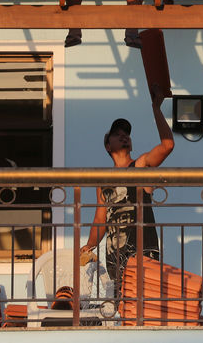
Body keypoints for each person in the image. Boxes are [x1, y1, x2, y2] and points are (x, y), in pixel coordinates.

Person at [80, 84, 175, 297]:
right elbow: (100, 216)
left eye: (127, 135)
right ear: (107, 145)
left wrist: (156, 109)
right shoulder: (103, 181)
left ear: (131, 144)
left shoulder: (140, 165)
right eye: (118, 134)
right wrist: (89, 246)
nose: (124, 136)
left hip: (144, 251)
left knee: (144, 304)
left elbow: (167, 145)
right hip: (115, 255)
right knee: (122, 307)